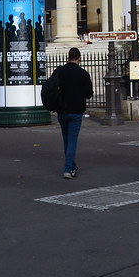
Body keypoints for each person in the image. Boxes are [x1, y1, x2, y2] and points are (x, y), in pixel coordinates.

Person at [52, 47, 93, 179]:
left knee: (66, 140)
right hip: (76, 111)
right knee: (72, 140)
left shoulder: (59, 71)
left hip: (62, 110)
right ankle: (68, 168)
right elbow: (88, 95)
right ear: (79, 58)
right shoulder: (83, 74)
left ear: (67, 57)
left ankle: (72, 165)